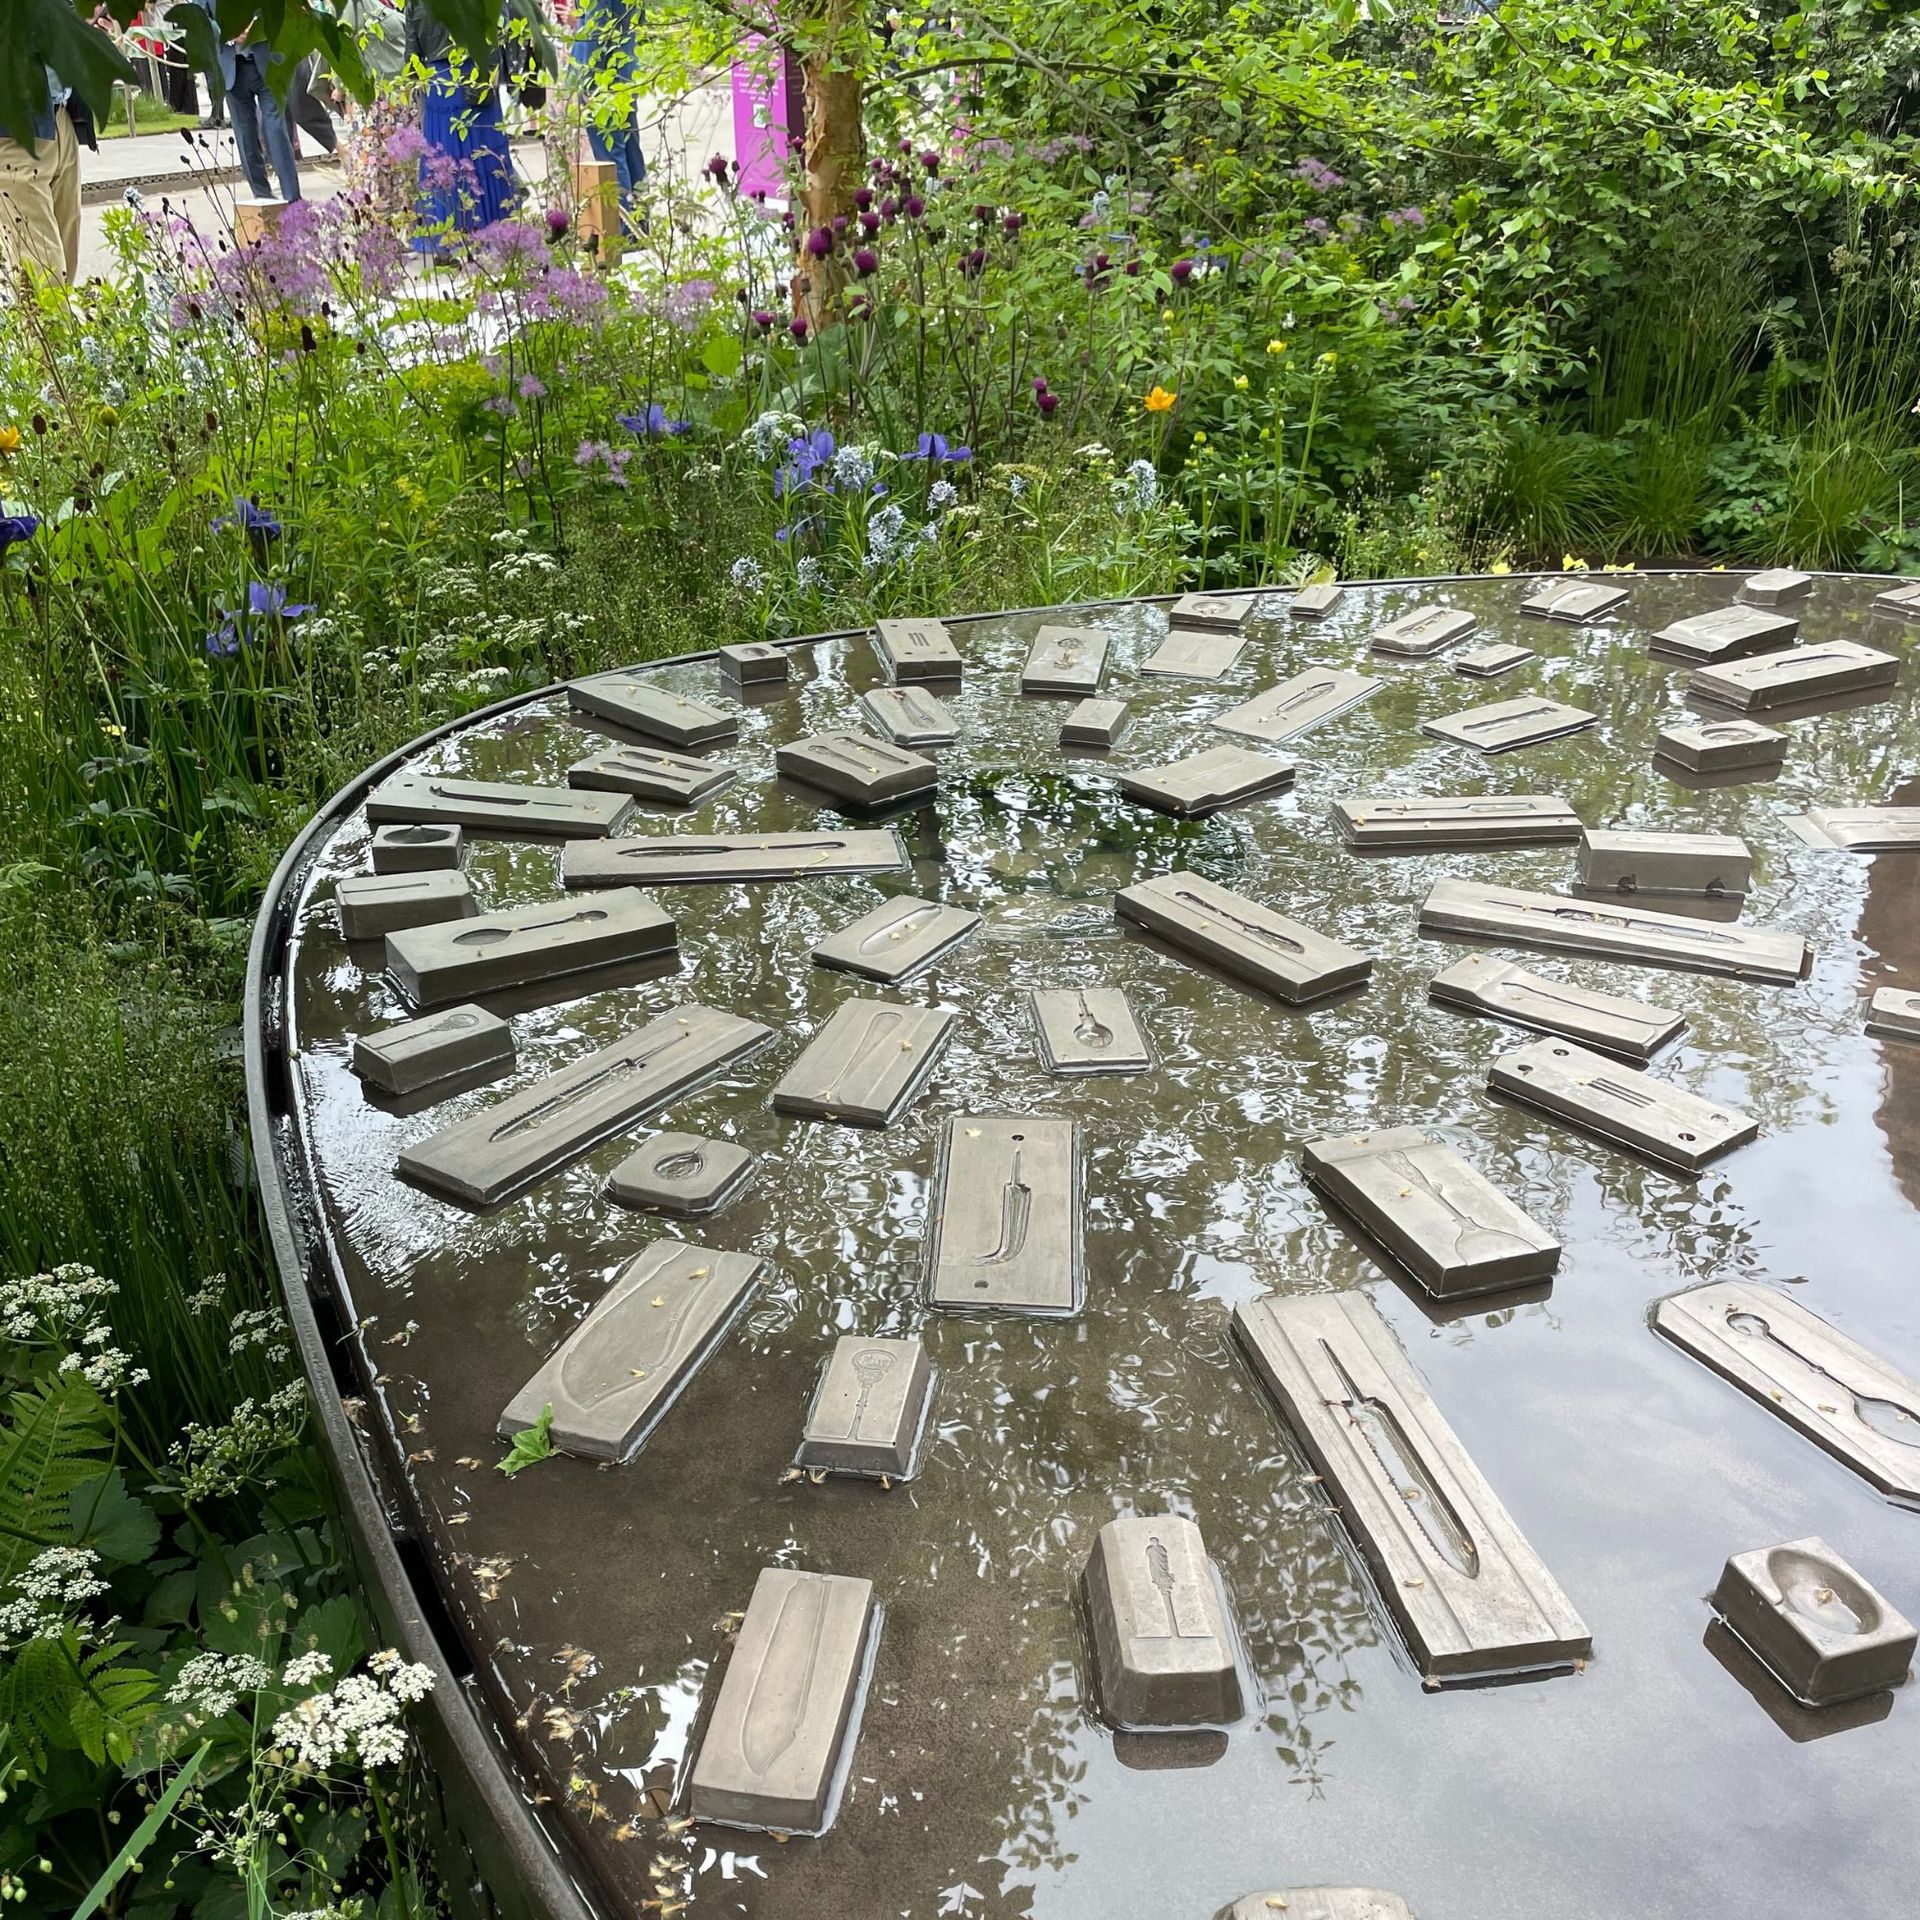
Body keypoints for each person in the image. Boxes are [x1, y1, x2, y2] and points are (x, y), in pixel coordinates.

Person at [404, 0, 517, 248]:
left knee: (442, 156)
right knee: (484, 154)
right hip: (478, 71)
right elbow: (501, 28)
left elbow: (411, 55)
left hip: (439, 84)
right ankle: (492, 226)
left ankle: (444, 233)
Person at [0, 64, 97, 283]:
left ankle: (56, 318)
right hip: (14, 127)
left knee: (65, 261)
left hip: (61, 117)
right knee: (43, 270)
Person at [200, 3, 302, 202]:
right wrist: (227, 32)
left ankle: (293, 199)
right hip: (231, 68)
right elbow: (199, 19)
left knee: (275, 129)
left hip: (269, 60)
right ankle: (262, 197)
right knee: (245, 135)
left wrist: (257, 28)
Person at [572, 0, 644, 211]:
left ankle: (623, 229)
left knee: (611, 157)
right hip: (625, 70)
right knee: (630, 151)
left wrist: (588, 81)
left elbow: (597, 30)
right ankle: (640, 222)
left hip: (602, 79)